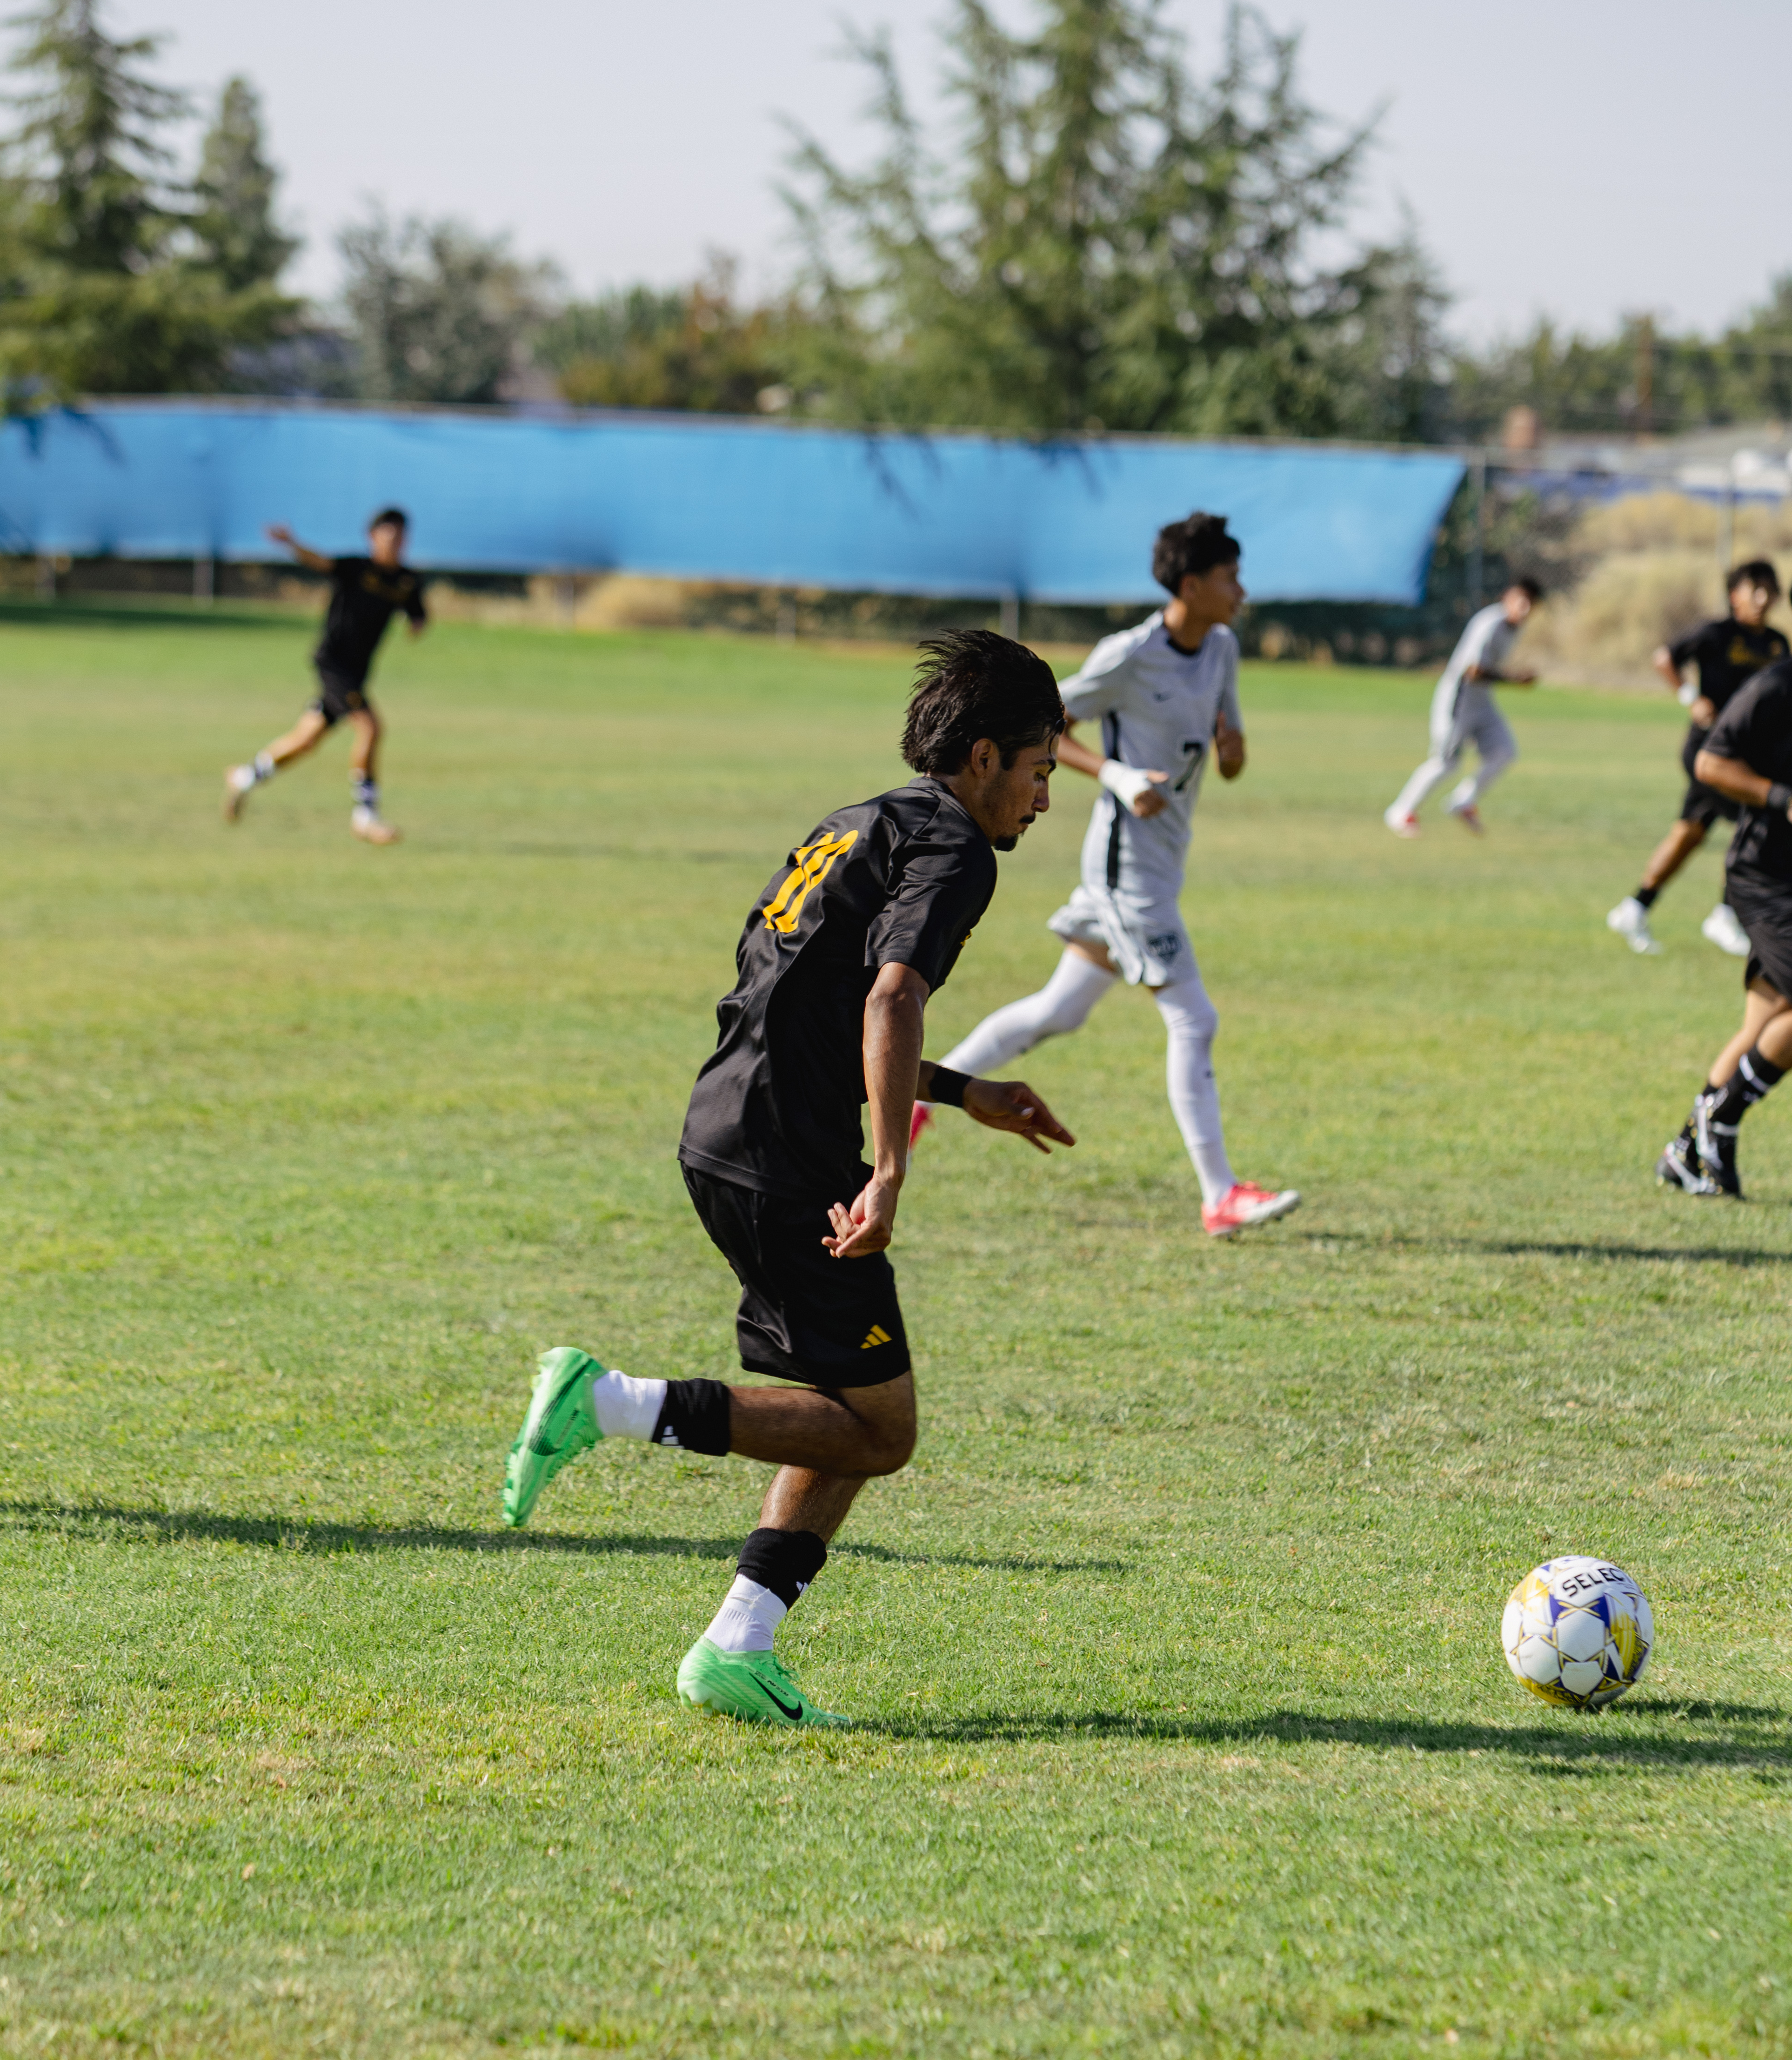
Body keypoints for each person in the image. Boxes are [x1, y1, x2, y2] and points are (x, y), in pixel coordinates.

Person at [500, 631, 1074, 1729]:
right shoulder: (957, 849)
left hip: (727, 1126)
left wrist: (965, 1093)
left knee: (850, 1408)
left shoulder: (855, 822)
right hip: (787, 1156)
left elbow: (804, 1000)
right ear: (988, 755)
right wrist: (895, 1168)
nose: (1045, 800)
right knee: (880, 1432)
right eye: (1043, 772)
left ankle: (738, 1645)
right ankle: (609, 1404)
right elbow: (888, 1000)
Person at [908, 514, 1297, 1237]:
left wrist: (1233, 746)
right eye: (1229, 577)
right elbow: (1050, 724)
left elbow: (1230, 760)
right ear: (1190, 584)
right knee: (1195, 1017)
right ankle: (1221, 1194)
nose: (1241, 591)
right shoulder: (1131, 653)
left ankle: (917, 1099)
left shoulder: (1222, 647)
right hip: (1126, 870)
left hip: (1162, 862)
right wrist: (1116, 775)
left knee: (1060, 1011)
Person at [1657, 652, 1792, 1197]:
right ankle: (1722, 1117)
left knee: (1766, 1019)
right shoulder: (1775, 687)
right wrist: (1780, 797)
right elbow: (1710, 765)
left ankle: (1686, 1153)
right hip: (1765, 875)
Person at [1607, 560, 1787, 957]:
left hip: (1752, 759)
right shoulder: (1715, 633)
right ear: (1733, 594)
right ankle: (1726, 914)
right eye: (1752, 588)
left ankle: (1636, 906)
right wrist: (1691, 698)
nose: (1761, 597)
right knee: (1754, 820)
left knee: (1691, 831)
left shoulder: (1777, 644)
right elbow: (1664, 658)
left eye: (1768, 589)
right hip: (1714, 754)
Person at [223, 508, 427, 843]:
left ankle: (245, 777)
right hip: (334, 665)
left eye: (400, 537)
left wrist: (417, 625)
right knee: (370, 727)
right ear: (373, 537)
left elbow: (417, 613)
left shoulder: (406, 581)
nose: (395, 543)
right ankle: (365, 817)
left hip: (357, 674)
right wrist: (291, 544)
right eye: (388, 536)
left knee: (306, 740)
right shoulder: (357, 569)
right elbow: (320, 562)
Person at [1384, 578, 1544, 837]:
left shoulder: (1515, 629)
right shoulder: (1490, 623)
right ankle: (1401, 811)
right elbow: (1472, 671)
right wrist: (1514, 679)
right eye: (1520, 600)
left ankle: (1463, 801)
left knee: (1503, 753)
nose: (1524, 608)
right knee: (1446, 763)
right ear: (1507, 598)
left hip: (1482, 701)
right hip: (1459, 698)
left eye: (1530, 603)